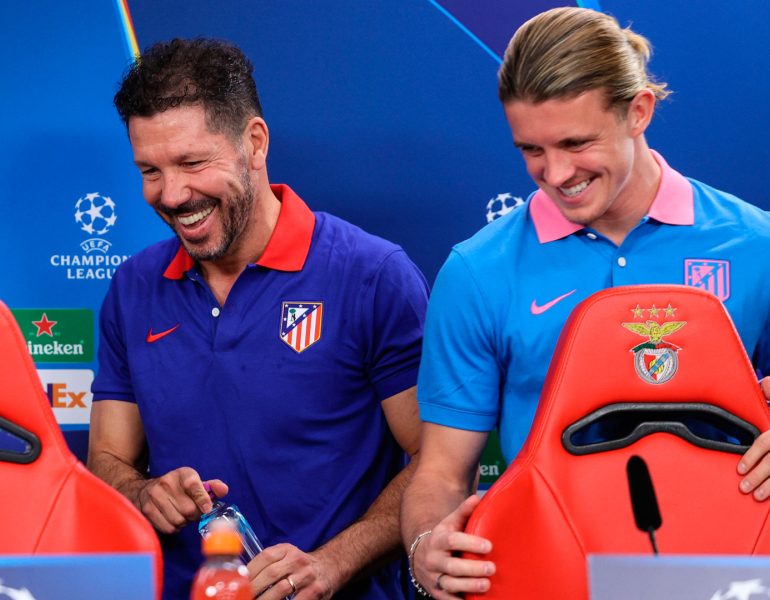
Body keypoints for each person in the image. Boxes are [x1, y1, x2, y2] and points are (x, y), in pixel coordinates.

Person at [401, 7, 770, 598]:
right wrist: (426, 546)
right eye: (531, 149)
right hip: (543, 575)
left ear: (638, 112)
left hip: (728, 578)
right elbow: (442, 470)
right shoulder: (478, 270)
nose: (556, 173)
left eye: (576, 142)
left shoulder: (757, 246)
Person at [87, 38, 429, 600]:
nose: (172, 194)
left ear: (254, 142)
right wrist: (142, 492)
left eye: (193, 163)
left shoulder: (373, 275)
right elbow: (106, 460)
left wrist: (332, 564)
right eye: (150, 170)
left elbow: (435, 463)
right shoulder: (133, 288)